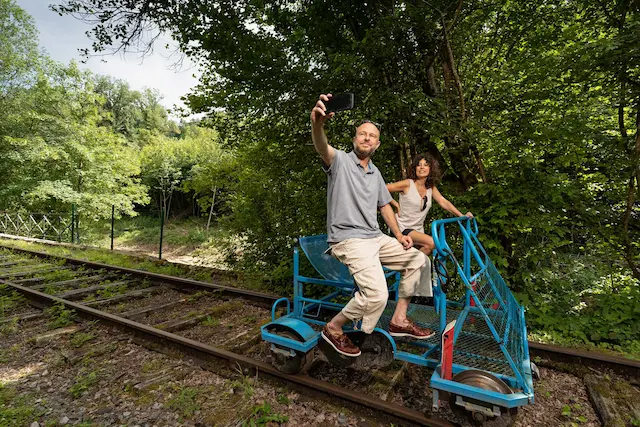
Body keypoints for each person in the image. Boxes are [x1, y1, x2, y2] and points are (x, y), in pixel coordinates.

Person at [311, 93, 435, 358]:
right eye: (362, 134)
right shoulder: (340, 161)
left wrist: (399, 234)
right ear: (355, 139)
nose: (367, 138)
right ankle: (334, 327)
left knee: (419, 260)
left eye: (372, 136)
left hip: (375, 237)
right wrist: (317, 123)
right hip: (350, 240)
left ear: (377, 144)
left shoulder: (375, 172)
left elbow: (384, 205)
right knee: (377, 295)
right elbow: (322, 146)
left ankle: (399, 319)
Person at [386, 153, 473, 256]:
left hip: (418, 230)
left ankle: (408, 265)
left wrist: (461, 215)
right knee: (431, 243)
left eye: (425, 165)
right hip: (402, 227)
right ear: (415, 168)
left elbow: (443, 201)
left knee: (425, 251)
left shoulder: (430, 188)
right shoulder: (407, 184)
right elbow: (382, 189)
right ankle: (409, 265)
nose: (422, 167)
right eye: (419, 165)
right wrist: (394, 203)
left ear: (431, 169)